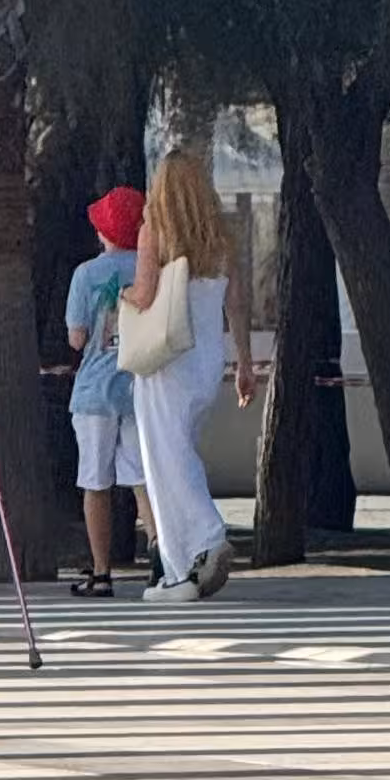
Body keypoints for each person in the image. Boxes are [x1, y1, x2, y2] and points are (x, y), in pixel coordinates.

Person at [124, 150, 255, 605]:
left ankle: (203, 540)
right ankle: (181, 569)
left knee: (165, 457)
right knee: (179, 449)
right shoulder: (220, 238)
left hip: (166, 361)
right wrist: (244, 362)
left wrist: (119, 295)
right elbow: (236, 303)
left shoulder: (154, 233)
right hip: (206, 360)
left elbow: (144, 294)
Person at [66, 186, 159, 598]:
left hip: (94, 391)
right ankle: (162, 559)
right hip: (140, 386)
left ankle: (101, 572)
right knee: (144, 479)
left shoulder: (86, 274)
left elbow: (76, 337)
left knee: (95, 483)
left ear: (103, 231)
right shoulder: (151, 267)